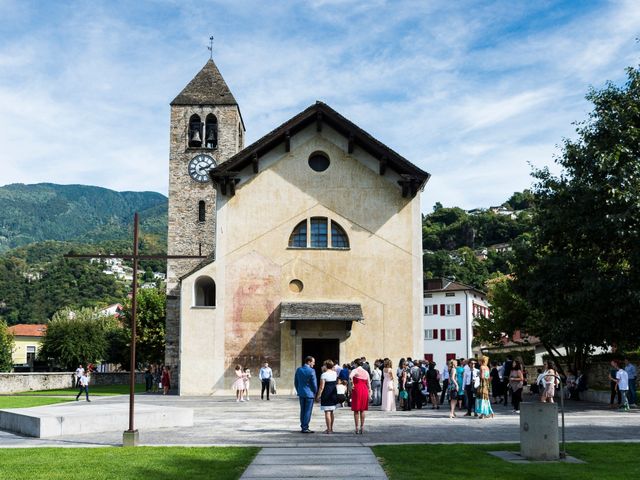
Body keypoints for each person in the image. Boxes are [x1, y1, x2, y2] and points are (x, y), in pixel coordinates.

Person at [294, 356, 317, 433]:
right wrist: (315, 392)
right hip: (309, 394)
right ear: (309, 362)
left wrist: (299, 390)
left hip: (301, 393)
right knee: (307, 411)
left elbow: (296, 382)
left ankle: (303, 426)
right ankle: (305, 427)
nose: (314, 364)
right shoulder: (311, 371)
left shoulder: (299, 369)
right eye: (313, 362)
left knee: (302, 410)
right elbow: (314, 384)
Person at [316, 360, 338, 434]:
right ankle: (331, 428)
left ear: (326, 366)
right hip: (333, 393)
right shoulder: (335, 373)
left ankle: (328, 429)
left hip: (326, 394)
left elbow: (321, 387)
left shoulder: (324, 375)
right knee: (331, 412)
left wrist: (318, 396)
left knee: (327, 412)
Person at [350, 358, 371, 434]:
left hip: (357, 390)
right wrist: (370, 393)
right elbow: (369, 384)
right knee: (362, 410)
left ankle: (356, 428)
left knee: (356, 410)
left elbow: (350, 377)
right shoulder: (366, 372)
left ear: (356, 364)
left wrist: (352, 384)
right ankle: (362, 427)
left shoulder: (355, 370)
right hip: (364, 390)